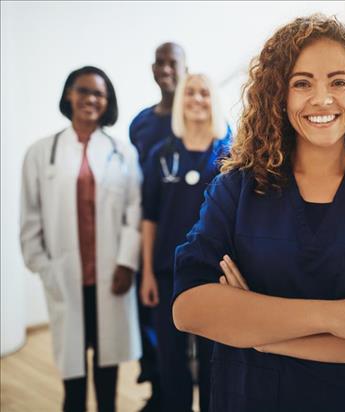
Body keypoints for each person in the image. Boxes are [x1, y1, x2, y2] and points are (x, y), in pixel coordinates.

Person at [172, 15, 345, 412]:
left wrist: (260, 333)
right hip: (255, 399)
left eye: (338, 81)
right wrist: (339, 316)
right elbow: (190, 308)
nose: (322, 98)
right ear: (279, 93)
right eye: (302, 83)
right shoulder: (237, 190)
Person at [20, 66, 142, 412]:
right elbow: (29, 217)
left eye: (98, 94)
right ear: (69, 95)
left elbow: (134, 209)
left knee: (107, 370)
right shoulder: (41, 153)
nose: (90, 99)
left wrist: (126, 262)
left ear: (107, 102)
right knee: (72, 376)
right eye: (83, 91)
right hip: (63, 276)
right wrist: (43, 267)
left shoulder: (122, 152)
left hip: (110, 278)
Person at [140, 73, 231, 412]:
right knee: (171, 364)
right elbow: (149, 218)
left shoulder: (229, 155)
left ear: (214, 101)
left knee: (214, 364)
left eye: (204, 93)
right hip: (166, 273)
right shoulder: (160, 154)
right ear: (180, 100)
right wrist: (147, 272)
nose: (196, 99)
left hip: (215, 276)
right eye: (190, 92)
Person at [129, 42, 187, 411]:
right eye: (159, 63)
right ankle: (159, 392)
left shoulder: (202, 118)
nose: (165, 69)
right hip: (151, 237)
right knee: (150, 321)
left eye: (173, 63)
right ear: (152, 69)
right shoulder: (141, 123)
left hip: (190, 245)